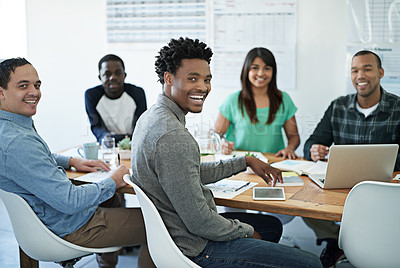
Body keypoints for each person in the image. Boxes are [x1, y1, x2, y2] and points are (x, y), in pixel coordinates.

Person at [130, 37, 322, 267]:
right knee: (311, 263)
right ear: (168, 78)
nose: (202, 87)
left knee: (272, 225)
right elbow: (200, 222)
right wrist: (247, 232)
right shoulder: (172, 135)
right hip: (197, 246)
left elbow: (189, 172)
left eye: (206, 79)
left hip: (178, 230)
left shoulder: (151, 117)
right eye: (193, 78)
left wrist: (245, 161)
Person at [0, 58, 154, 268]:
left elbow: (33, 159)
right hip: (69, 226)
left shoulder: (10, 128)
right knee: (161, 225)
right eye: (23, 85)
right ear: (1, 92)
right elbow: (71, 201)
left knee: (113, 200)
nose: (34, 92)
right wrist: (113, 181)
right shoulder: (18, 142)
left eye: (37, 85)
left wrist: (71, 161)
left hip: (50, 218)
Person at [303, 50, 400, 268]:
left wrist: (384, 160)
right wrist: (314, 150)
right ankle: (338, 242)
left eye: (367, 69)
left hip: (383, 189)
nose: (360, 75)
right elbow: (310, 143)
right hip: (341, 188)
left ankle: (352, 245)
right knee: (304, 202)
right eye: (355, 70)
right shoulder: (338, 106)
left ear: (381, 72)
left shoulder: (397, 108)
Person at [214, 47, 300, 159]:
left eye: (267, 68)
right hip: (240, 165)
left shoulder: (284, 99)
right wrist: (222, 144)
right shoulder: (233, 100)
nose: (261, 73)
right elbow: (215, 135)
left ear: (273, 72)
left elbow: (294, 137)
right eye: (255, 68)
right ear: (246, 70)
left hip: (272, 164)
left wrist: (290, 148)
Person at [85, 54, 147, 143]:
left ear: (124, 75)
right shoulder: (91, 95)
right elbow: (96, 126)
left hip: (132, 144)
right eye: (107, 74)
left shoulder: (137, 93)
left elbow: (140, 126)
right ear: (100, 77)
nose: (113, 77)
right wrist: (105, 137)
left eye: (118, 73)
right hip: (107, 144)